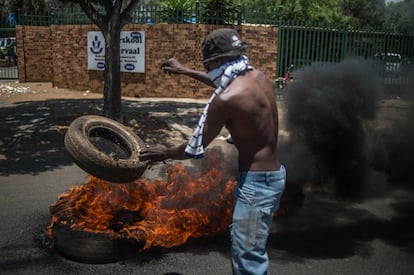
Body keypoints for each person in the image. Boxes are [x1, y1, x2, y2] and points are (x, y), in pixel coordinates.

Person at [139, 28, 286, 275]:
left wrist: (163, 152)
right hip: (275, 175)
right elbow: (223, 80)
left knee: (248, 259)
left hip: (256, 184)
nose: (207, 69)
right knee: (253, 253)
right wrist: (184, 70)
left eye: (207, 64)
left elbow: (192, 148)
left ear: (217, 61)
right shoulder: (258, 77)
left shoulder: (226, 99)